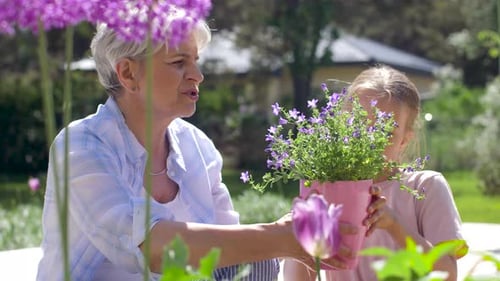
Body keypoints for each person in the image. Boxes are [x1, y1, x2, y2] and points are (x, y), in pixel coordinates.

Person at [35, 10, 388, 281]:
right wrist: (282, 237)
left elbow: (235, 248)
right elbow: (152, 249)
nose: (197, 75)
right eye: (178, 62)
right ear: (128, 74)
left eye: (196, 61)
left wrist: (313, 221)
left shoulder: (197, 147)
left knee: (258, 262)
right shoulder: (81, 146)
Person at [283, 65, 468, 281]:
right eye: (358, 124)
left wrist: (394, 225)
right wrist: (305, 229)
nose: (369, 140)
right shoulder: (328, 187)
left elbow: (448, 275)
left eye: (385, 131)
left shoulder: (426, 187)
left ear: (405, 139)